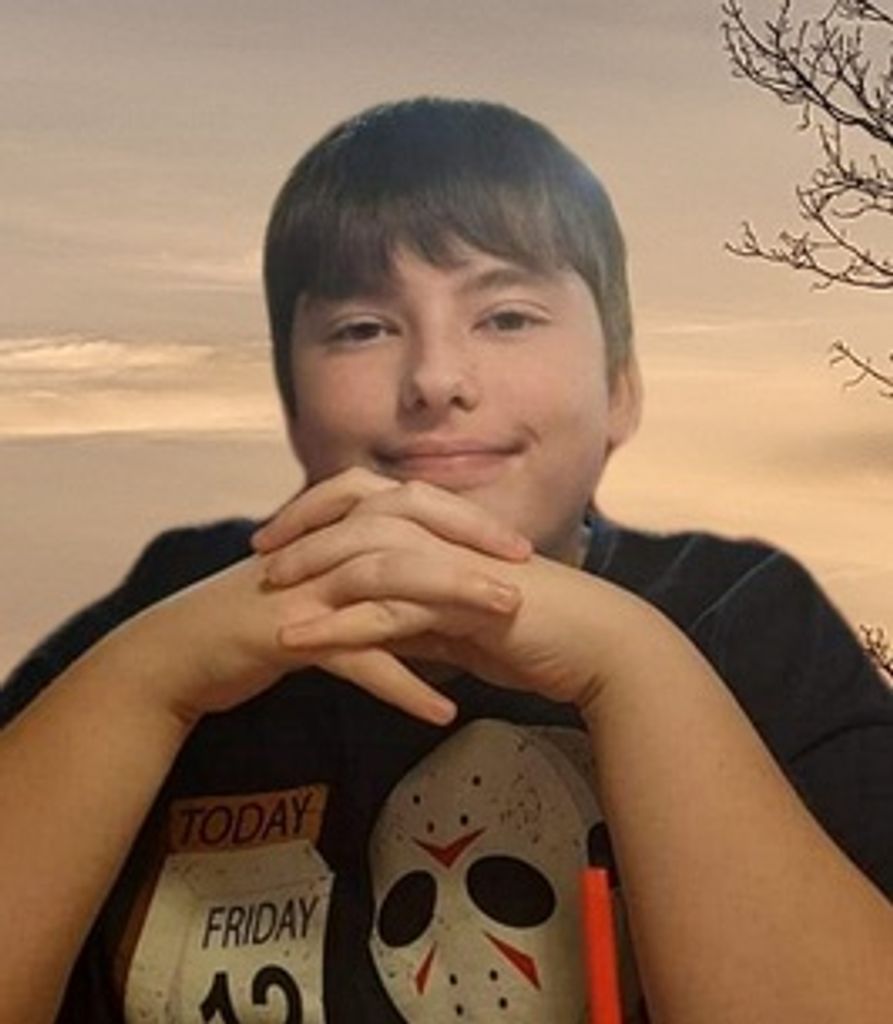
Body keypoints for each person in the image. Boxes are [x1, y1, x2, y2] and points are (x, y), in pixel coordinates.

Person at [1, 97, 891, 1024]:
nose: (433, 380)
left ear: (620, 389)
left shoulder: (743, 619)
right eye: (361, 328)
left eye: (505, 316)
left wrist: (634, 664)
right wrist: (146, 686)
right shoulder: (158, 618)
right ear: (292, 398)